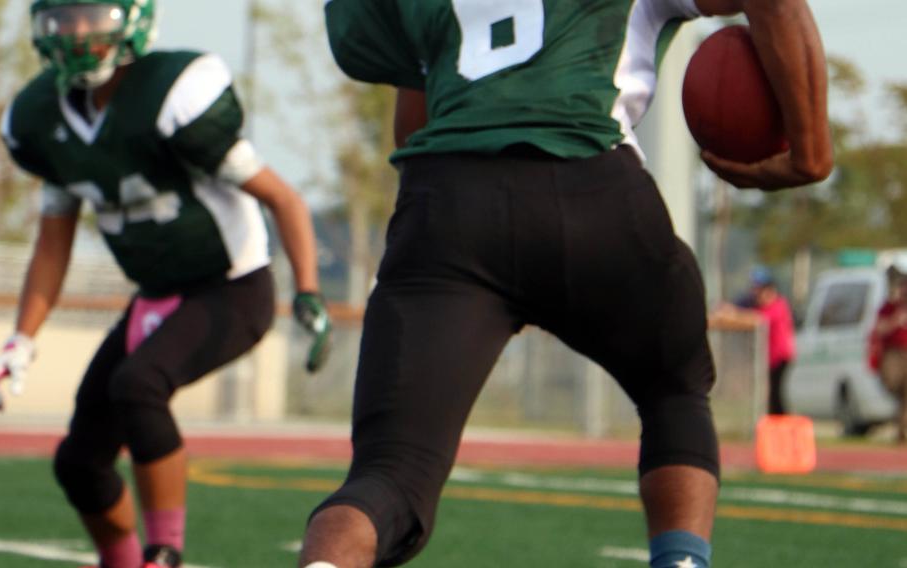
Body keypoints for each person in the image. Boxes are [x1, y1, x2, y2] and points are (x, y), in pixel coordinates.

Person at [301, 0, 832, 567]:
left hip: (448, 205)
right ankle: (681, 559)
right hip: (591, 186)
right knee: (672, 389)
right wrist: (811, 150)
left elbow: (415, 118)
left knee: (389, 473)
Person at [0, 1, 332, 567]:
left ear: (132, 18)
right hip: (153, 294)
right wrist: (22, 339)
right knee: (78, 462)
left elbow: (284, 199)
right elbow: (53, 244)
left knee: (138, 384)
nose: (77, 31)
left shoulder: (173, 94)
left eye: (92, 15)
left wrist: (307, 290)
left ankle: (165, 552)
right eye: (64, 17)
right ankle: (124, 561)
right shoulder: (41, 118)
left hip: (232, 287)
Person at [710, 266, 797, 415]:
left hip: (780, 357)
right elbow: (740, 306)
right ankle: (773, 422)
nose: (757, 293)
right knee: (769, 393)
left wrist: (735, 313)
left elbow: (760, 319)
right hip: (769, 358)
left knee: (775, 393)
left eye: (760, 289)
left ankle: (780, 424)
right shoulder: (757, 304)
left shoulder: (778, 305)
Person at [870, 265, 907, 443]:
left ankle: (902, 430)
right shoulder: (889, 307)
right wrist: (896, 320)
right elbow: (879, 329)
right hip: (893, 353)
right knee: (893, 384)